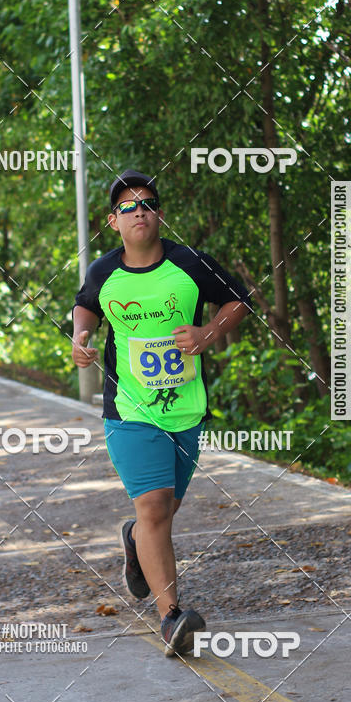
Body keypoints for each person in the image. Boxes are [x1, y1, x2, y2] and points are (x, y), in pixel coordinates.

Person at [72, 169, 251, 657]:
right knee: (153, 507)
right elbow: (85, 306)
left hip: (185, 409)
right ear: (113, 221)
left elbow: (239, 302)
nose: (139, 213)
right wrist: (80, 337)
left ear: (159, 214)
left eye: (147, 203)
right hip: (129, 408)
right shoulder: (104, 272)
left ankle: (134, 542)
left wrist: (207, 334)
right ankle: (172, 618)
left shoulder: (190, 263)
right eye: (127, 207)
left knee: (163, 512)